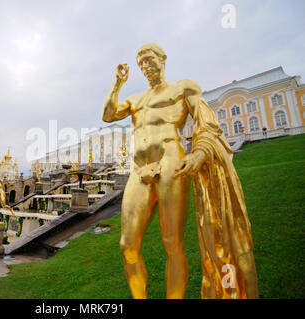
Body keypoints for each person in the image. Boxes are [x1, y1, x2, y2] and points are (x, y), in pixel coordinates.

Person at [102, 43, 258, 299]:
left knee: (171, 243)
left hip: (170, 162)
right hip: (139, 169)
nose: (145, 65)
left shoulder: (184, 87)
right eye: (140, 63)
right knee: (127, 245)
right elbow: (108, 115)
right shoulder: (135, 99)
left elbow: (206, 122)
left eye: (149, 59)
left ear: (163, 58)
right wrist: (117, 83)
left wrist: (200, 152)